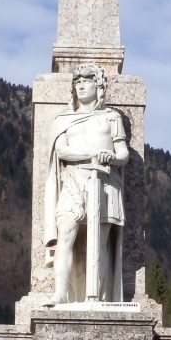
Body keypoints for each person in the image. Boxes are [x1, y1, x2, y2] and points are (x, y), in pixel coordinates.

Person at [43, 64, 129, 305]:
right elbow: (61, 150)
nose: (81, 85)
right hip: (72, 181)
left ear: (99, 86)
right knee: (66, 233)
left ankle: (97, 296)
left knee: (99, 243)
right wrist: (93, 153)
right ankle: (60, 292)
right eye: (77, 82)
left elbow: (123, 154)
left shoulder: (111, 118)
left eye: (87, 81)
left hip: (104, 184)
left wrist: (110, 157)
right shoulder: (64, 120)